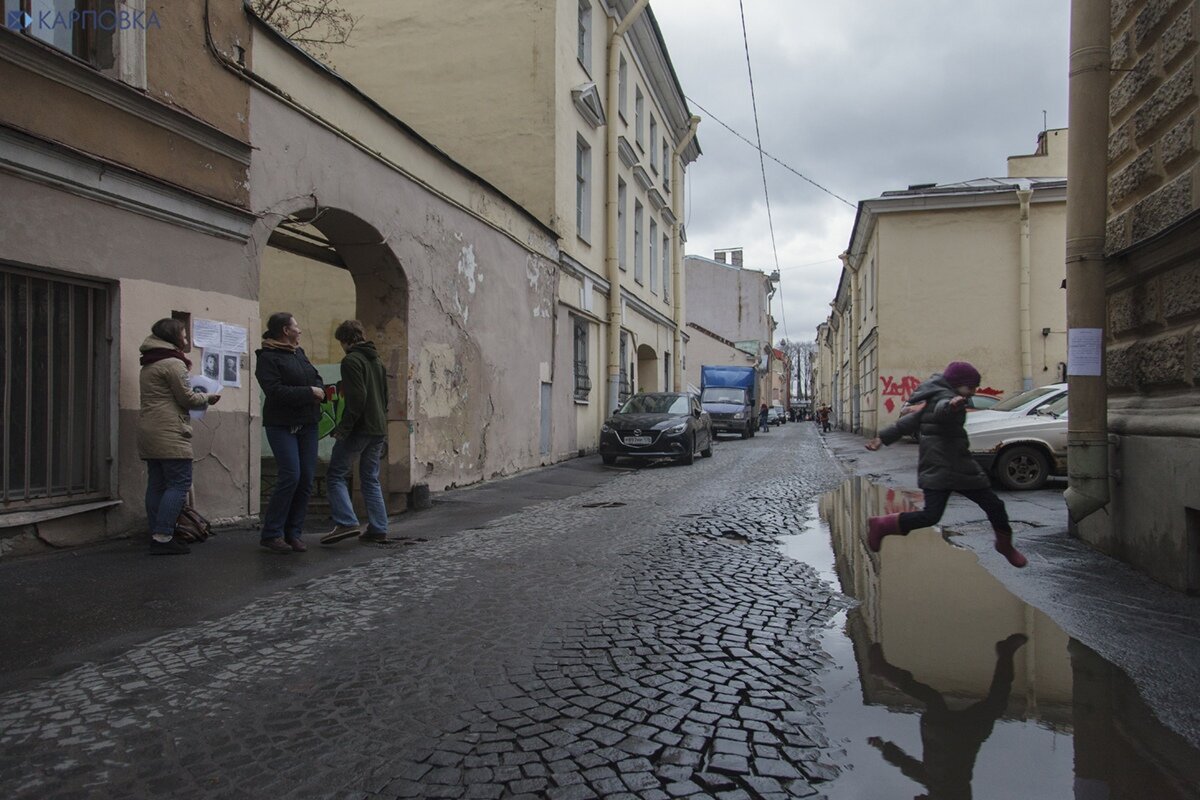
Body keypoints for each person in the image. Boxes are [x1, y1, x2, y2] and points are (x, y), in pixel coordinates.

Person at [864, 361, 1027, 568]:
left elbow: (908, 422)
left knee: (992, 505)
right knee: (933, 515)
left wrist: (881, 438)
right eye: (971, 387)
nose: (973, 392)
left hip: (960, 467)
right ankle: (882, 525)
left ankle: (1004, 545)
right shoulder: (946, 399)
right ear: (958, 384)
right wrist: (952, 406)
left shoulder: (940, 398)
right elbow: (942, 411)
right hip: (940, 469)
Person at [866, 634, 1028, 799]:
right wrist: (883, 747)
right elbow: (906, 765)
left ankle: (1006, 653)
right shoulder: (937, 786)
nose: (918, 797)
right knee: (937, 699)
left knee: (989, 702)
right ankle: (1006, 653)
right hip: (956, 734)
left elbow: (905, 764)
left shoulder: (933, 783)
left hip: (954, 735)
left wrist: (883, 748)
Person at [137, 318, 221, 555]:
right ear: (173, 337)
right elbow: (187, 398)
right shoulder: (173, 363)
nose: (186, 340)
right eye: (184, 336)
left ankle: (157, 532)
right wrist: (208, 398)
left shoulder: (150, 363)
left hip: (149, 430)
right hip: (170, 431)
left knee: (156, 484)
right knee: (179, 483)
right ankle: (163, 536)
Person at [255, 312, 324, 554]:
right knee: (291, 475)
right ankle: (272, 533)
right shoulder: (268, 358)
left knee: (306, 479)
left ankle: (293, 533)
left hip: (307, 422)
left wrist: (319, 389)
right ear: (285, 330)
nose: (300, 330)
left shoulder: (299, 353)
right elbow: (274, 390)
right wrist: (309, 393)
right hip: (281, 424)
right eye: (296, 325)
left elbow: (316, 378)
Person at [320, 320, 390, 546]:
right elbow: (385, 397)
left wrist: (343, 428)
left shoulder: (351, 361)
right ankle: (379, 527)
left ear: (346, 340)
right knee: (370, 478)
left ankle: (346, 521)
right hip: (378, 427)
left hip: (359, 428)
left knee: (336, 474)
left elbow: (356, 399)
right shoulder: (376, 360)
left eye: (341, 342)